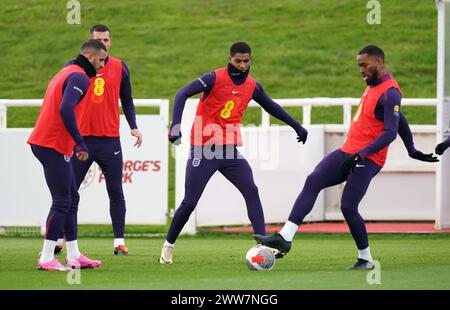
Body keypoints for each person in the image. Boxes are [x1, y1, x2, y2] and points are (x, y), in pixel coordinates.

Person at [254, 45, 438, 270]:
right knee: (314, 180)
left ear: (379, 63)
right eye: (359, 65)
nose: (361, 69)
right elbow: (401, 118)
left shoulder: (390, 92)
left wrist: (365, 153)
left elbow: (390, 132)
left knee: (348, 206)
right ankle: (285, 238)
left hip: (368, 158)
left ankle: (366, 259)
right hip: (348, 150)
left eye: (364, 64)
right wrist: (411, 148)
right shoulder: (373, 85)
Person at [159, 41, 308, 264]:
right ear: (230, 59)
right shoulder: (213, 78)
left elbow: (271, 106)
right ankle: (168, 247)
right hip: (204, 149)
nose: (242, 65)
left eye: (246, 61)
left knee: (251, 189)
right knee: (190, 202)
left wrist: (297, 125)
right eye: (237, 61)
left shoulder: (252, 86)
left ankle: (261, 245)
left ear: (251, 60)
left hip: (229, 151)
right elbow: (181, 94)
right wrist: (175, 126)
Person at [55, 24, 143, 256]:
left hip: (110, 141)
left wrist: (133, 126)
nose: (103, 43)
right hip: (81, 140)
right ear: (91, 43)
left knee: (116, 191)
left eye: (106, 39)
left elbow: (127, 99)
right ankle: (59, 240)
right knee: (69, 192)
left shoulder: (120, 67)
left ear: (110, 41)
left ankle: (119, 242)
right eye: (98, 39)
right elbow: (63, 101)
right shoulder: (74, 68)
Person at [28, 39, 107, 271]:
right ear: (91, 58)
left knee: (71, 198)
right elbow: (65, 108)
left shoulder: (67, 70)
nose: (102, 66)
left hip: (49, 142)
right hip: (51, 143)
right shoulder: (80, 77)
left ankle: (74, 255)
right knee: (63, 200)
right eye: (101, 60)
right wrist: (81, 144)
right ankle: (46, 258)